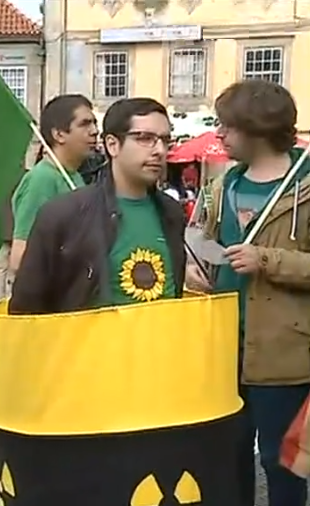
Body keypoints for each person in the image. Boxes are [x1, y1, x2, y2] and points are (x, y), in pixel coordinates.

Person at [190, 80, 310, 506]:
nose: (219, 134)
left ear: (256, 127)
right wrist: (194, 267)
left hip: (285, 355)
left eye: (227, 126)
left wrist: (269, 261)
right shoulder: (224, 185)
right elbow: (201, 239)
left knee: (282, 465)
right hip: (223, 348)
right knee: (226, 459)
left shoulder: (305, 183)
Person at [10, 97, 186, 314]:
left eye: (165, 140)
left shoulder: (172, 213)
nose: (159, 150)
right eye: (144, 138)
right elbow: (27, 308)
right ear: (112, 145)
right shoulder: (63, 214)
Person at [9, 94, 98, 277]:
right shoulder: (42, 180)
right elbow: (20, 257)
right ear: (59, 134)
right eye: (84, 124)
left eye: (94, 123)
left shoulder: (75, 176)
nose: (94, 131)